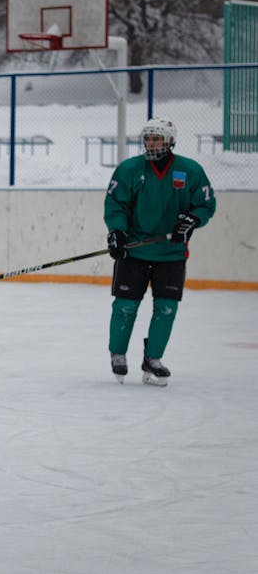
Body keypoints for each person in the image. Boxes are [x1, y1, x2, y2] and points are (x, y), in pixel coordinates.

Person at [104, 117, 216, 386]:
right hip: (134, 251)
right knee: (125, 306)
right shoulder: (130, 169)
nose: (151, 143)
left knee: (166, 308)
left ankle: (153, 358)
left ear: (170, 140)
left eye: (157, 138)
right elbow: (115, 204)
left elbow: (206, 203)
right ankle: (118, 353)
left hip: (172, 254)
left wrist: (192, 220)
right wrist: (117, 231)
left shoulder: (190, 170)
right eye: (148, 138)